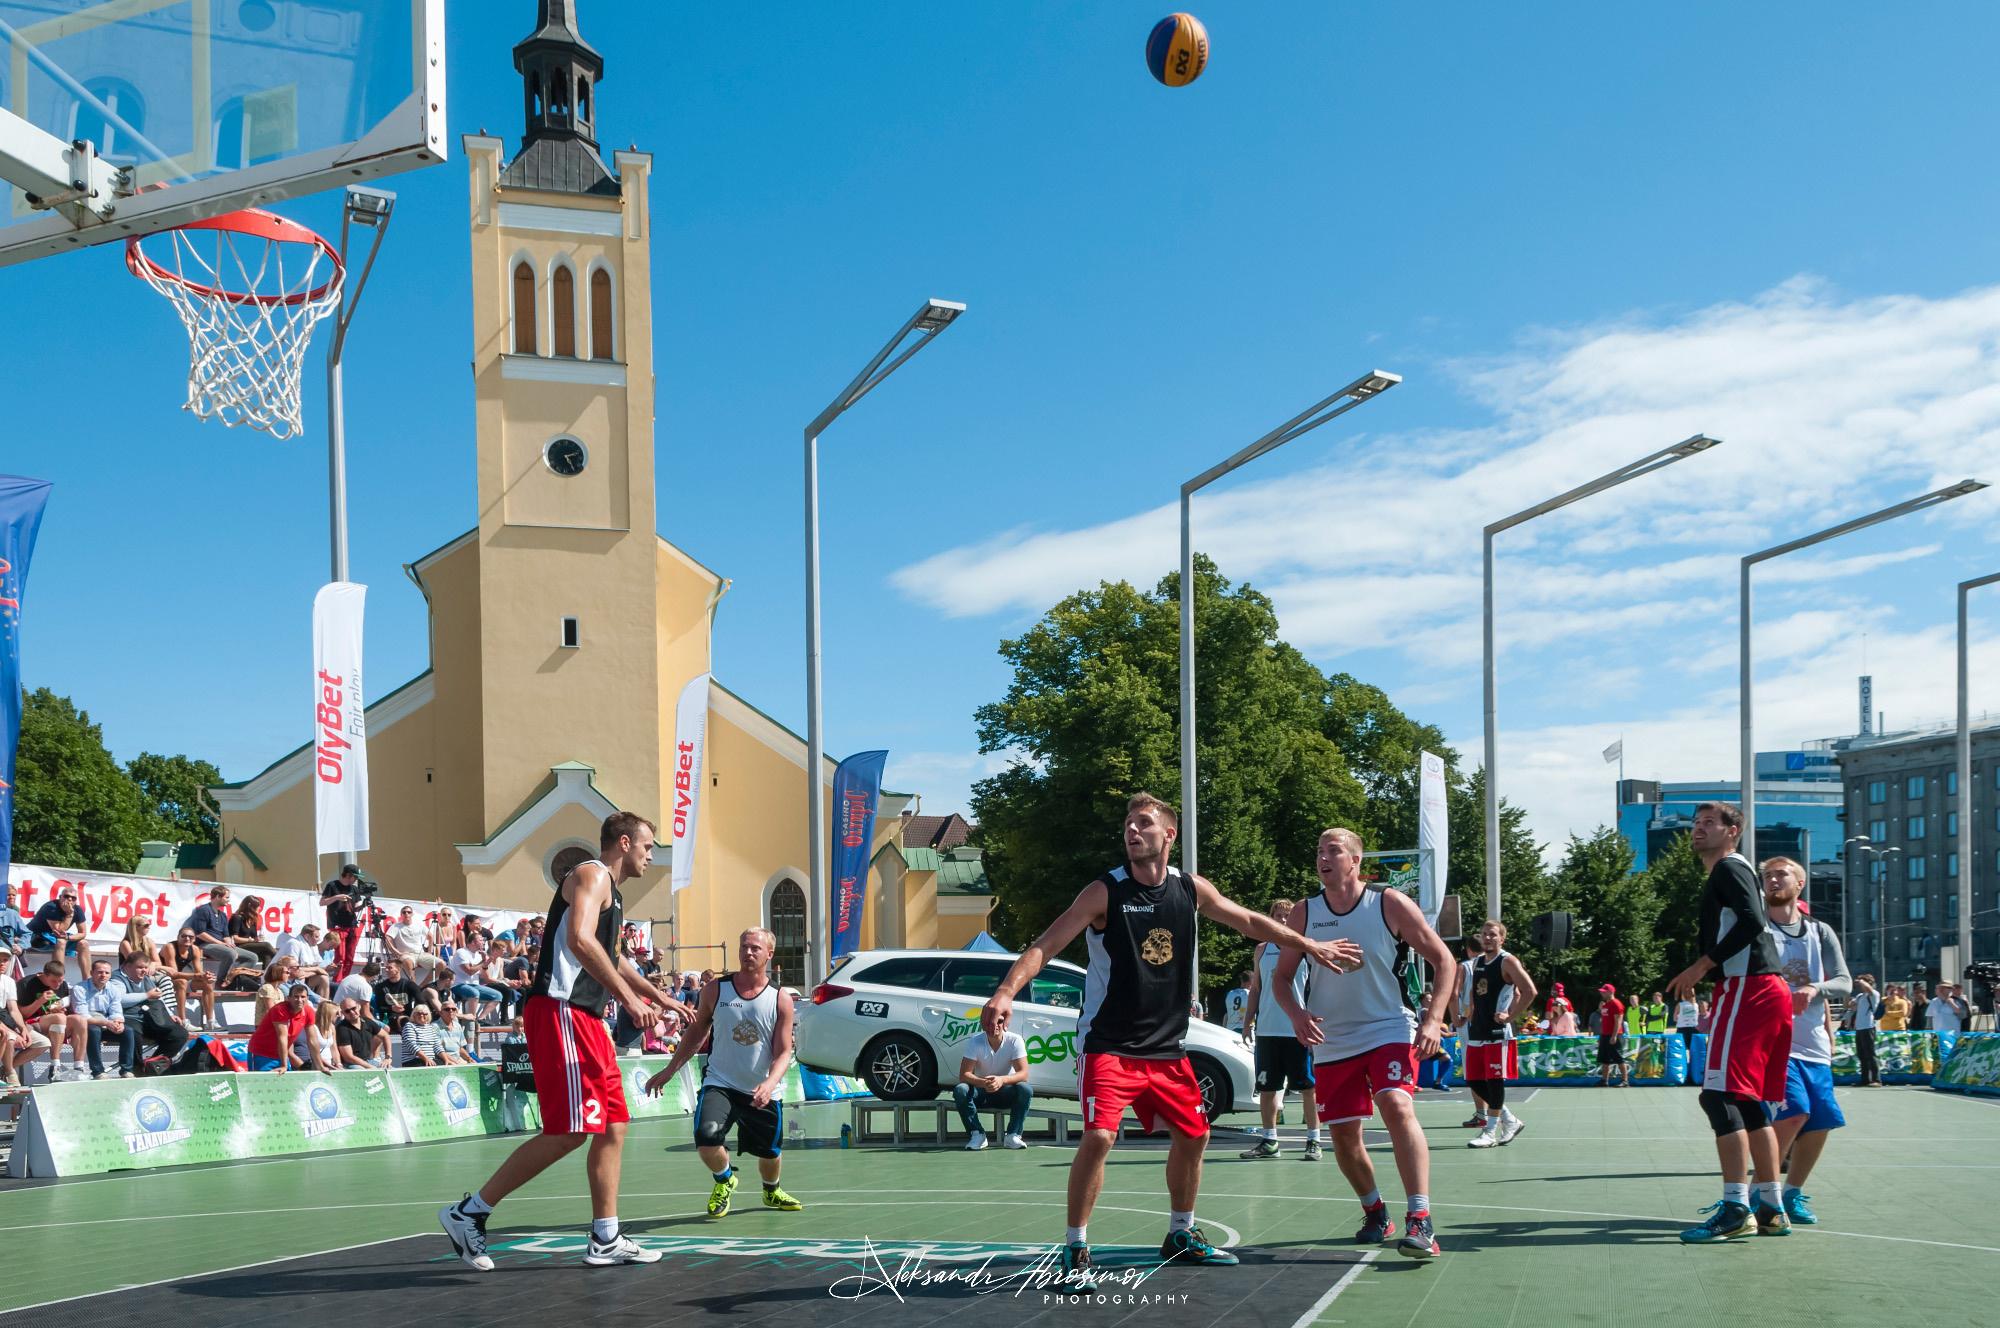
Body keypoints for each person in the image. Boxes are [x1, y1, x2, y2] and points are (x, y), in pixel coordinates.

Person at [977, 796, 1361, 1291]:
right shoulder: (1104, 892)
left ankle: (1181, 1234)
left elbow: (1247, 920)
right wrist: (1006, 990)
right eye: (1128, 824)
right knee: (1100, 1136)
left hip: (1166, 1048)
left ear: (1169, 835)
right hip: (1109, 1044)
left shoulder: (1189, 887)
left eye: (1144, 823)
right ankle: (1075, 1247)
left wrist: (1309, 944)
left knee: (1196, 1135)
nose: (1132, 831)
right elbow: (1045, 946)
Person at [440, 812, 685, 1271]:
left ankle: (606, 1238)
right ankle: (469, 1212)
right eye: (648, 847)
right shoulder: (591, 874)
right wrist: (629, 1000)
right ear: (626, 842)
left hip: (586, 1020)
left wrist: (660, 997)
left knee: (614, 1125)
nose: (652, 855)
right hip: (561, 1012)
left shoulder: (612, 893)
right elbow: (579, 940)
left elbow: (614, 957)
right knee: (571, 1131)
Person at [1274, 827, 1457, 1259]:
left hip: (1387, 1026)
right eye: (1319, 851)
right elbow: (1281, 978)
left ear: (1355, 861)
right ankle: (1376, 1211)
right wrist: (1297, 1014)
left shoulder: (1387, 902)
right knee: (1344, 1138)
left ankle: (1421, 1219)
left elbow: (1444, 960)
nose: (1324, 858)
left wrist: (1433, 1020)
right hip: (1332, 1038)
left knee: (1396, 1103)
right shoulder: (1305, 912)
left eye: (1333, 851)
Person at [1666, 802, 1795, 1243]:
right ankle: (1772, 1207)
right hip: (1761, 989)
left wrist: (1702, 966)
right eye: (1695, 823)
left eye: (1709, 824)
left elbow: (1754, 921)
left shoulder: (1728, 868)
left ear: (1733, 831)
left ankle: (1737, 1206)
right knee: (1745, 1101)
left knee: (1718, 1096)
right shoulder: (1732, 870)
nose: (1698, 830)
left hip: (1749, 988)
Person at [644, 927, 804, 1215]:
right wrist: (670, 1069)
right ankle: (725, 1179)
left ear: (769, 954)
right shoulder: (716, 989)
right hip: (721, 1082)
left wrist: (769, 1084)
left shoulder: (780, 998)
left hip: (762, 1089)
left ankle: (772, 1191)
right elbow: (695, 1034)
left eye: (755, 948)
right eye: (744, 946)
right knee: (706, 1138)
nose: (748, 952)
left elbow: (783, 1052)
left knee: (770, 1152)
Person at [1761, 856, 1849, 1226]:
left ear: (1801, 883)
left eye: (1781, 874)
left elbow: (1843, 981)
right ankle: (1761, 1193)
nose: (1773, 880)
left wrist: (1815, 987)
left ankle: (1793, 1192)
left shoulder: (1820, 931)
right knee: (1795, 1111)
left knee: (1822, 1120)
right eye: (1767, 876)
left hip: (1813, 1043)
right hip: (1774, 1041)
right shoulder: (1757, 928)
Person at [1240, 898, 1323, 1161]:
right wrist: (1247, 1022)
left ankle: (1314, 1141)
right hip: (1267, 1031)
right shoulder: (1262, 949)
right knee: (1267, 1088)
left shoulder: (1304, 949)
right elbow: (1256, 989)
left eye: (1287, 916)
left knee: (1307, 1088)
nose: (1282, 920)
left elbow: (1317, 988)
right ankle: (1269, 1141)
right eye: (1277, 915)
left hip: (1297, 1030)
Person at [1462, 920, 1537, 1149]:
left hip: (1498, 1031)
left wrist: (1511, 1016)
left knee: (1494, 1081)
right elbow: (1475, 993)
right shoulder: (1477, 962)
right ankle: (1509, 1120)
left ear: (1501, 938)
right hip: (1478, 1029)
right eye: (1484, 934)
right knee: (1473, 1079)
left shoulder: (1508, 961)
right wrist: (1469, 1014)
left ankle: (1489, 1132)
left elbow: (1529, 990)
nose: (1487, 938)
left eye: (1492, 934)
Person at [953, 1003, 1033, 1150]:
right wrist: (984, 1083)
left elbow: (1023, 1074)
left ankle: (1013, 1135)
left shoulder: (1015, 1040)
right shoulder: (974, 1041)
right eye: (990, 1022)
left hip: (1006, 1092)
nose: (995, 1025)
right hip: (982, 1093)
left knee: (1025, 1089)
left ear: (1005, 1023)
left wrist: (1001, 1080)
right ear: (983, 1024)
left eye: (999, 1021)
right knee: (961, 1090)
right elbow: (964, 1075)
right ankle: (977, 1134)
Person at [15, 960, 86, 1082]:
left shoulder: (61, 985)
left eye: (61, 981)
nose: (58, 984)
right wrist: (40, 1001)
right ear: (44, 975)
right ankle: (55, 1066)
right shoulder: (26, 983)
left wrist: (62, 1010)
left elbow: (62, 1010)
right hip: (30, 1023)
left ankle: (79, 1068)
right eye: (54, 981)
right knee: (59, 1018)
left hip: (53, 1022)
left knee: (80, 1020)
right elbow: (22, 1013)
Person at [185, 886, 262, 979]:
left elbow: (226, 935)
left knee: (253, 957)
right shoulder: (204, 910)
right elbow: (200, 934)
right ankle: (221, 980)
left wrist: (231, 946)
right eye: (227, 897)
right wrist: (222, 944)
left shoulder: (223, 915)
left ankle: (232, 978)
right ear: (218, 897)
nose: (228, 900)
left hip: (220, 944)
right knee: (230, 954)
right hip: (204, 944)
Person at [158, 926, 220, 1030]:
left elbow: (198, 971)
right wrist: (197, 976)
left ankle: (210, 1021)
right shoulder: (170, 947)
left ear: (195, 939)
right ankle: (183, 1021)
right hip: (162, 980)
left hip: (176, 980)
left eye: (190, 937)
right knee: (182, 982)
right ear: (178, 937)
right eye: (184, 936)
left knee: (207, 983)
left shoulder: (195, 949)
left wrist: (206, 976)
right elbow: (173, 973)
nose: (187, 939)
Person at [74, 958, 126, 1080]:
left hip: (106, 1023)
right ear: (92, 973)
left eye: (107, 973)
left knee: (128, 1031)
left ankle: (127, 1070)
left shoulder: (113, 989)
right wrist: (107, 1023)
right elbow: (82, 1016)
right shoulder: (79, 988)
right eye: (100, 972)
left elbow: (116, 1010)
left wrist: (118, 1022)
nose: (103, 975)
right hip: (85, 1026)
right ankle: (98, 1072)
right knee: (94, 1030)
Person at [248, 984, 314, 1071]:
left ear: (307, 999)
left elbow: (313, 1040)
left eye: (303, 997)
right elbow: (282, 1038)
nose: (299, 1000)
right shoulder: (280, 1010)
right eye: (296, 997)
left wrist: (319, 1065)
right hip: (261, 1054)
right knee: (261, 1083)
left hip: (281, 1055)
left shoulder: (308, 1011)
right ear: (288, 998)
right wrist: (284, 1066)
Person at [26, 885, 93, 970]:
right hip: (37, 939)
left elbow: (82, 933)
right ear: (60, 897)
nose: (69, 899)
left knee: (84, 943)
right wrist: (69, 914)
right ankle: (59, 977)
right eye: (66, 896)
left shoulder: (77, 910)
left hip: (53, 939)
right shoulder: (51, 907)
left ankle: (87, 980)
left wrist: (68, 937)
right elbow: (59, 930)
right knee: (61, 942)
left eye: (73, 898)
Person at [321, 863, 366, 981]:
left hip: (352, 925)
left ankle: (345, 981)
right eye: (355, 877)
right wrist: (337, 897)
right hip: (337, 925)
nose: (356, 879)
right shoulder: (333, 885)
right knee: (340, 956)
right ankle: (337, 981)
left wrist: (362, 906)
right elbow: (322, 902)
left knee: (350, 957)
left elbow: (355, 908)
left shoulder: (355, 889)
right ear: (348, 874)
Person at [446, 942, 503, 1024]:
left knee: (497, 995)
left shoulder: (479, 955)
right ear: (473, 942)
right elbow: (469, 971)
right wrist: (483, 962)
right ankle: (471, 1020)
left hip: (474, 985)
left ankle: (480, 1019)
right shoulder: (461, 952)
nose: (483, 942)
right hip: (459, 984)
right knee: (474, 992)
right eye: (480, 940)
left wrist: (485, 965)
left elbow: (482, 976)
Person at [372, 956, 427, 1032]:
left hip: (408, 1016)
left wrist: (417, 1014)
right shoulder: (380, 987)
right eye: (386, 968)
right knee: (405, 1021)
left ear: (398, 970)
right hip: (389, 1018)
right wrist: (392, 1008)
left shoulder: (410, 985)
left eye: (390, 968)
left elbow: (422, 1003)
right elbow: (379, 1008)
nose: (387, 970)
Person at [335, 997, 391, 1068]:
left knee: (391, 1070)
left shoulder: (367, 1021)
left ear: (358, 1007)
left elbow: (385, 1035)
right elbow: (348, 1057)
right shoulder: (342, 1029)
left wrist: (388, 1057)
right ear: (343, 1013)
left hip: (367, 1061)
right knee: (362, 1072)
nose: (351, 1012)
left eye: (353, 1008)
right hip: (351, 1064)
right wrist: (369, 1067)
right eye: (347, 1011)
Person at [1846, 973, 1881, 1086]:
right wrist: (1847, 989)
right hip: (1859, 1028)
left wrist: (1860, 980)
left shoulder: (1874, 994)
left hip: (1868, 1027)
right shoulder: (1860, 996)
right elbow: (1847, 1005)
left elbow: (1869, 989)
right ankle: (1865, 1079)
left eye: (1862, 983)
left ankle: (1876, 1079)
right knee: (1862, 1055)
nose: (1860, 986)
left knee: (1870, 1054)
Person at [1593, 986, 1628, 1087]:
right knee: (1605, 1059)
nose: (1602, 994)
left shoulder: (1616, 1004)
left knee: (1619, 1058)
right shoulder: (1605, 1005)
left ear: (1610, 992)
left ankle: (1625, 1081)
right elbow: (1604, 1022)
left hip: (1614, 1035)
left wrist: (1614, 1036)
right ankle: (1604, 1081)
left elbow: (1618, 1021)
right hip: (1605, 1035)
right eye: (1601, 992)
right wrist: (1601, 1036)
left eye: (1604, 992)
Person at [230, 897, 277, 966]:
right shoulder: (236, 918)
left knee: (266, 954)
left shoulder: (252, 920)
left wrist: (258, 939)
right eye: (258, 906)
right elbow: (234, 938)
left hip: (249, 946)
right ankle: (284, 960)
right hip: (238, 946)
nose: (259, 908)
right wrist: (252, 940)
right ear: (250, 906)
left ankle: (264, 976)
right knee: (266, 945)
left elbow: (254, 939)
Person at [299, 1000, 341, 1073]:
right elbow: (314, 1052)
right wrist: (331, 1067)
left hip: (330, 1065)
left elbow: (334, 1049)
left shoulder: (332, 1028)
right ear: (329, 1014)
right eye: (336, 1013)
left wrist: (339, 1065)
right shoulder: (313, 1028)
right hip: (317, 1065)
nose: (339, 1015)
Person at [1222, 968, 1253, 1036]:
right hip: (1247, 1029)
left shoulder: (1230, 994)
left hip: (1230, 1030)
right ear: (1251, 982)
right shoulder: (1251, 995)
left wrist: (1224, 1030)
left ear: (1242, 980)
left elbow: (1227, 1015)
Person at [1674, 987, 1701, 1059]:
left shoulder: (1680, 1005)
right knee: (1694, 1051)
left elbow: (1675, 1019)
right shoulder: (1696, 1005)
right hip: (1693, 1029)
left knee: (1680, 1051)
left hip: (1682, 1029)